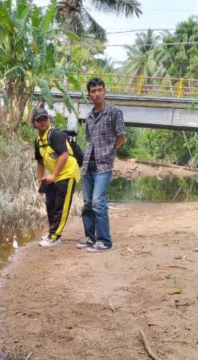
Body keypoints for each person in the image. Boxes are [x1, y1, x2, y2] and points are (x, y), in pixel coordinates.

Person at [78, 77, 127, 252]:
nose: (97, 93)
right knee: (87, 203)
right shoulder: (89, 116)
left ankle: (105, 241)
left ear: (105, 92)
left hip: (103, 165)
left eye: (100, 90)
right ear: (89, 94)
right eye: (93, 91)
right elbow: (89, 140)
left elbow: (122, 136)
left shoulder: (114, 112)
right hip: (87, 165)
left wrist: (110, 151)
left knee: (98, 201)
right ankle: (91, 238)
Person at [33, 108, 80, 247]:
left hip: (68, 173)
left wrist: (53, 175)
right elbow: (40, 161)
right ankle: (52, 233)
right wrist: (40, 178)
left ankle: (54, 236)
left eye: (45, 119)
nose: (42, 122)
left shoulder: (55, 135)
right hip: (54, 176)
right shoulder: (38, 140)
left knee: (61, 206)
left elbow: (64, 155)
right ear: (34, 123)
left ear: (49, 120)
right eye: (39, 120)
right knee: (50, 205)